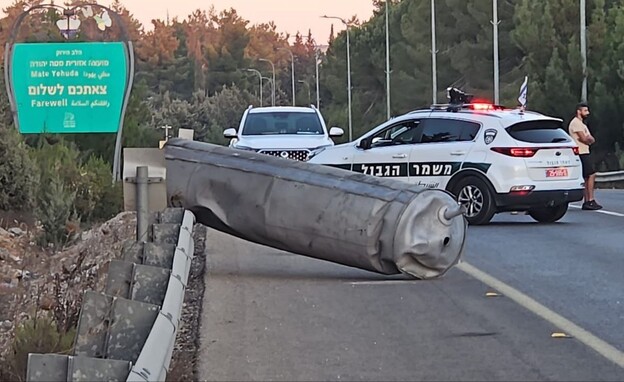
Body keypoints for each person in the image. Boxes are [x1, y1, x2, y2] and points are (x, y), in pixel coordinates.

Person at [568, 102, 602, 210]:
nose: (587, 113)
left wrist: (589, 139)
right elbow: (584, 139)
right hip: (580, 153)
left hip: (585, 151)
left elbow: (591, 138)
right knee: (591, 175)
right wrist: (588, 139)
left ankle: (587, 201)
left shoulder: (582, 124)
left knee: (587, 176)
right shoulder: (576, 123)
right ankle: (590, 200)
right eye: (585, 111)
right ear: (579, 111)